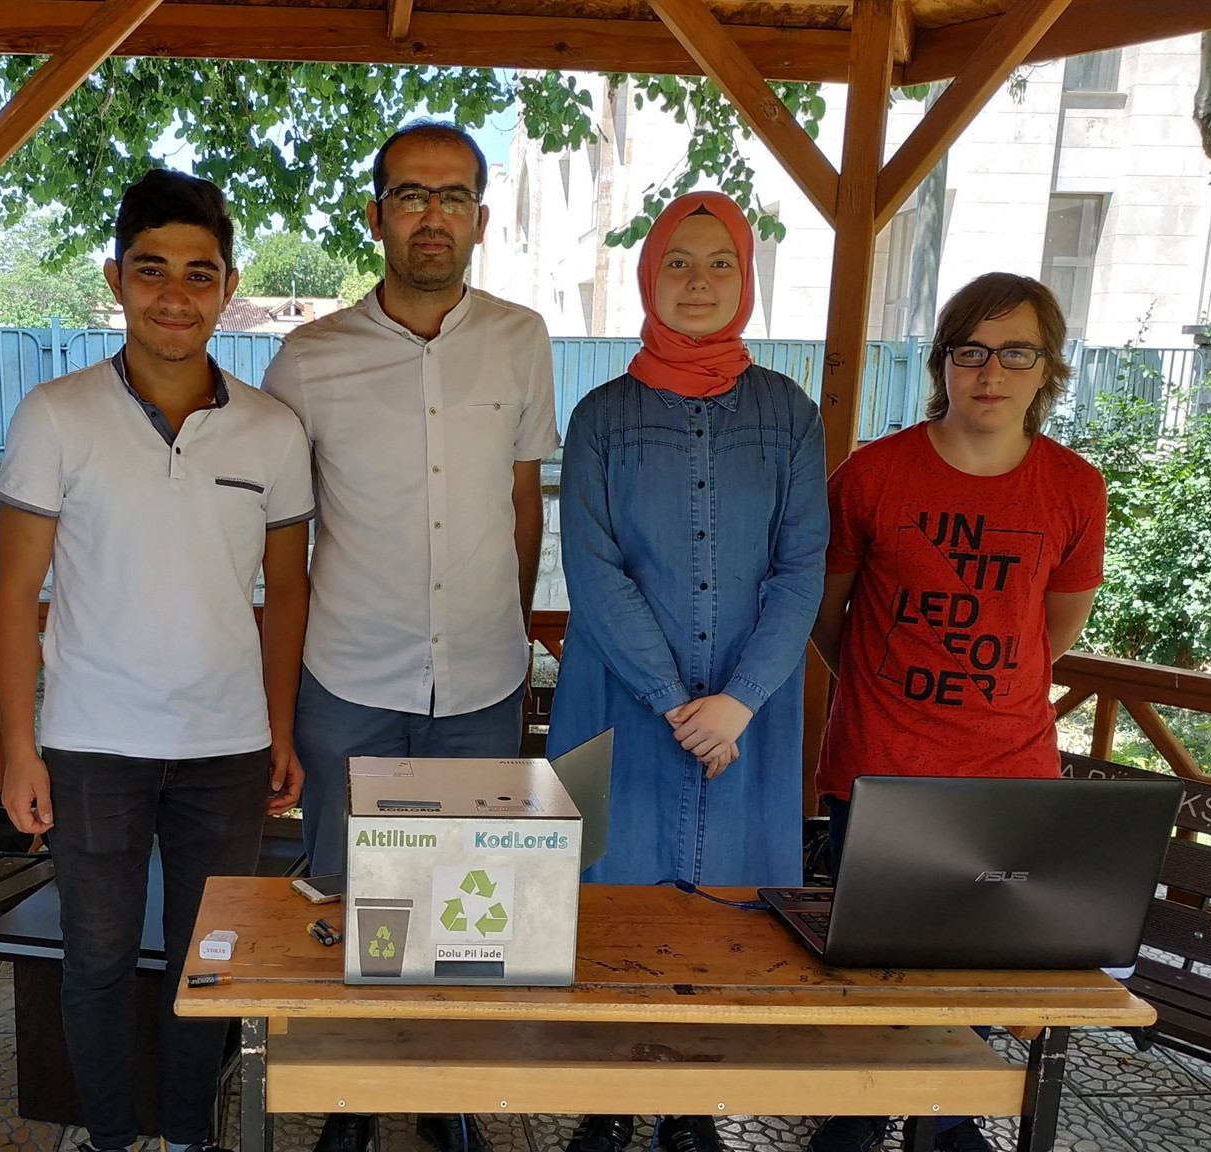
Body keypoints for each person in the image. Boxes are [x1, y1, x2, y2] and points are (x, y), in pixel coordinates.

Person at [0, 169, 313, 1152]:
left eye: (198, 273)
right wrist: (17, 749)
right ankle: (105, 1136)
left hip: (226, 747)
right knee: (94, 960)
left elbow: (287, 592)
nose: (174, 295)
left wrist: (281, 730)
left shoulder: (272, 429)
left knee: (206, 959)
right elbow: (14, 595)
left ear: (228, 287)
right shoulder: (55, 414)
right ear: (114, 279)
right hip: (91, 745)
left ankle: (185, 1135)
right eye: (150, 270)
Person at [261, 120, 559, 1152]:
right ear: (374, 214)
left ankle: (443, 1088)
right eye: (410, 195)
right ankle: (348, 1095)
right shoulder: (308, 360)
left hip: (479, 679)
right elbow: (282, 539)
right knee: (350, 897)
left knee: (461, 899)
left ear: (480, 217)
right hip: (348, 677)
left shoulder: (520, 339)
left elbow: (522, 503)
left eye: (452, 196)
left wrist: (509, 629)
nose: (432, 215)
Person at [545, 191, 827, 1152]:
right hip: (619, 703)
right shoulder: (600, 417)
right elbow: (593, 569)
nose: (697, 281)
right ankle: (609, 1097)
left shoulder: (788, 414)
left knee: (727, 908)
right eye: (678, 260)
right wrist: (679, 704)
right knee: (610, 899)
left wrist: (737, 702)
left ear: (745, 278)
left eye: (719, 263)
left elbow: (801, 567)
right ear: (647, 273)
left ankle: (692, 1101)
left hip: (748, 709)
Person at [805, 273, 1106, 1152]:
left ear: (1047, 368)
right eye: (969, 350)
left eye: (1015, 352)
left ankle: (940, 1115)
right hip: (880, 764)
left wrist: (981, 695)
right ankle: (861, 1108)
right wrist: (886, 690)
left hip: (1008, 773)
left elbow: (1051, 633)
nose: (990, 371)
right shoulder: (871, 476)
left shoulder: (1073, 488)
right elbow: (827, 613)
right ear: (941, 362)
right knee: (872, 958)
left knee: (981, 963)